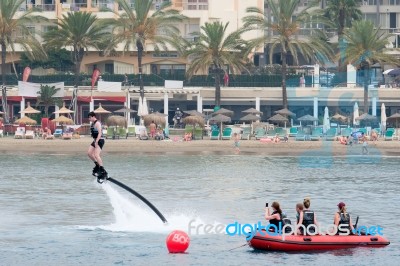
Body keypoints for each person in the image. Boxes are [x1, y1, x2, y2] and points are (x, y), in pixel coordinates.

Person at [87, 111, 107, 182]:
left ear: (93, 116)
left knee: (96, 154)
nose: (89, 119)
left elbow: (100, 133)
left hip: (100, 140)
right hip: (95, 140)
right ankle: (97, 165)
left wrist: (96, 142)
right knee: (89, 153)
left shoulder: (97, 123)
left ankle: (102, 169)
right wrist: (95, 141)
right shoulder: (92, 124)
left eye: (90, 117)